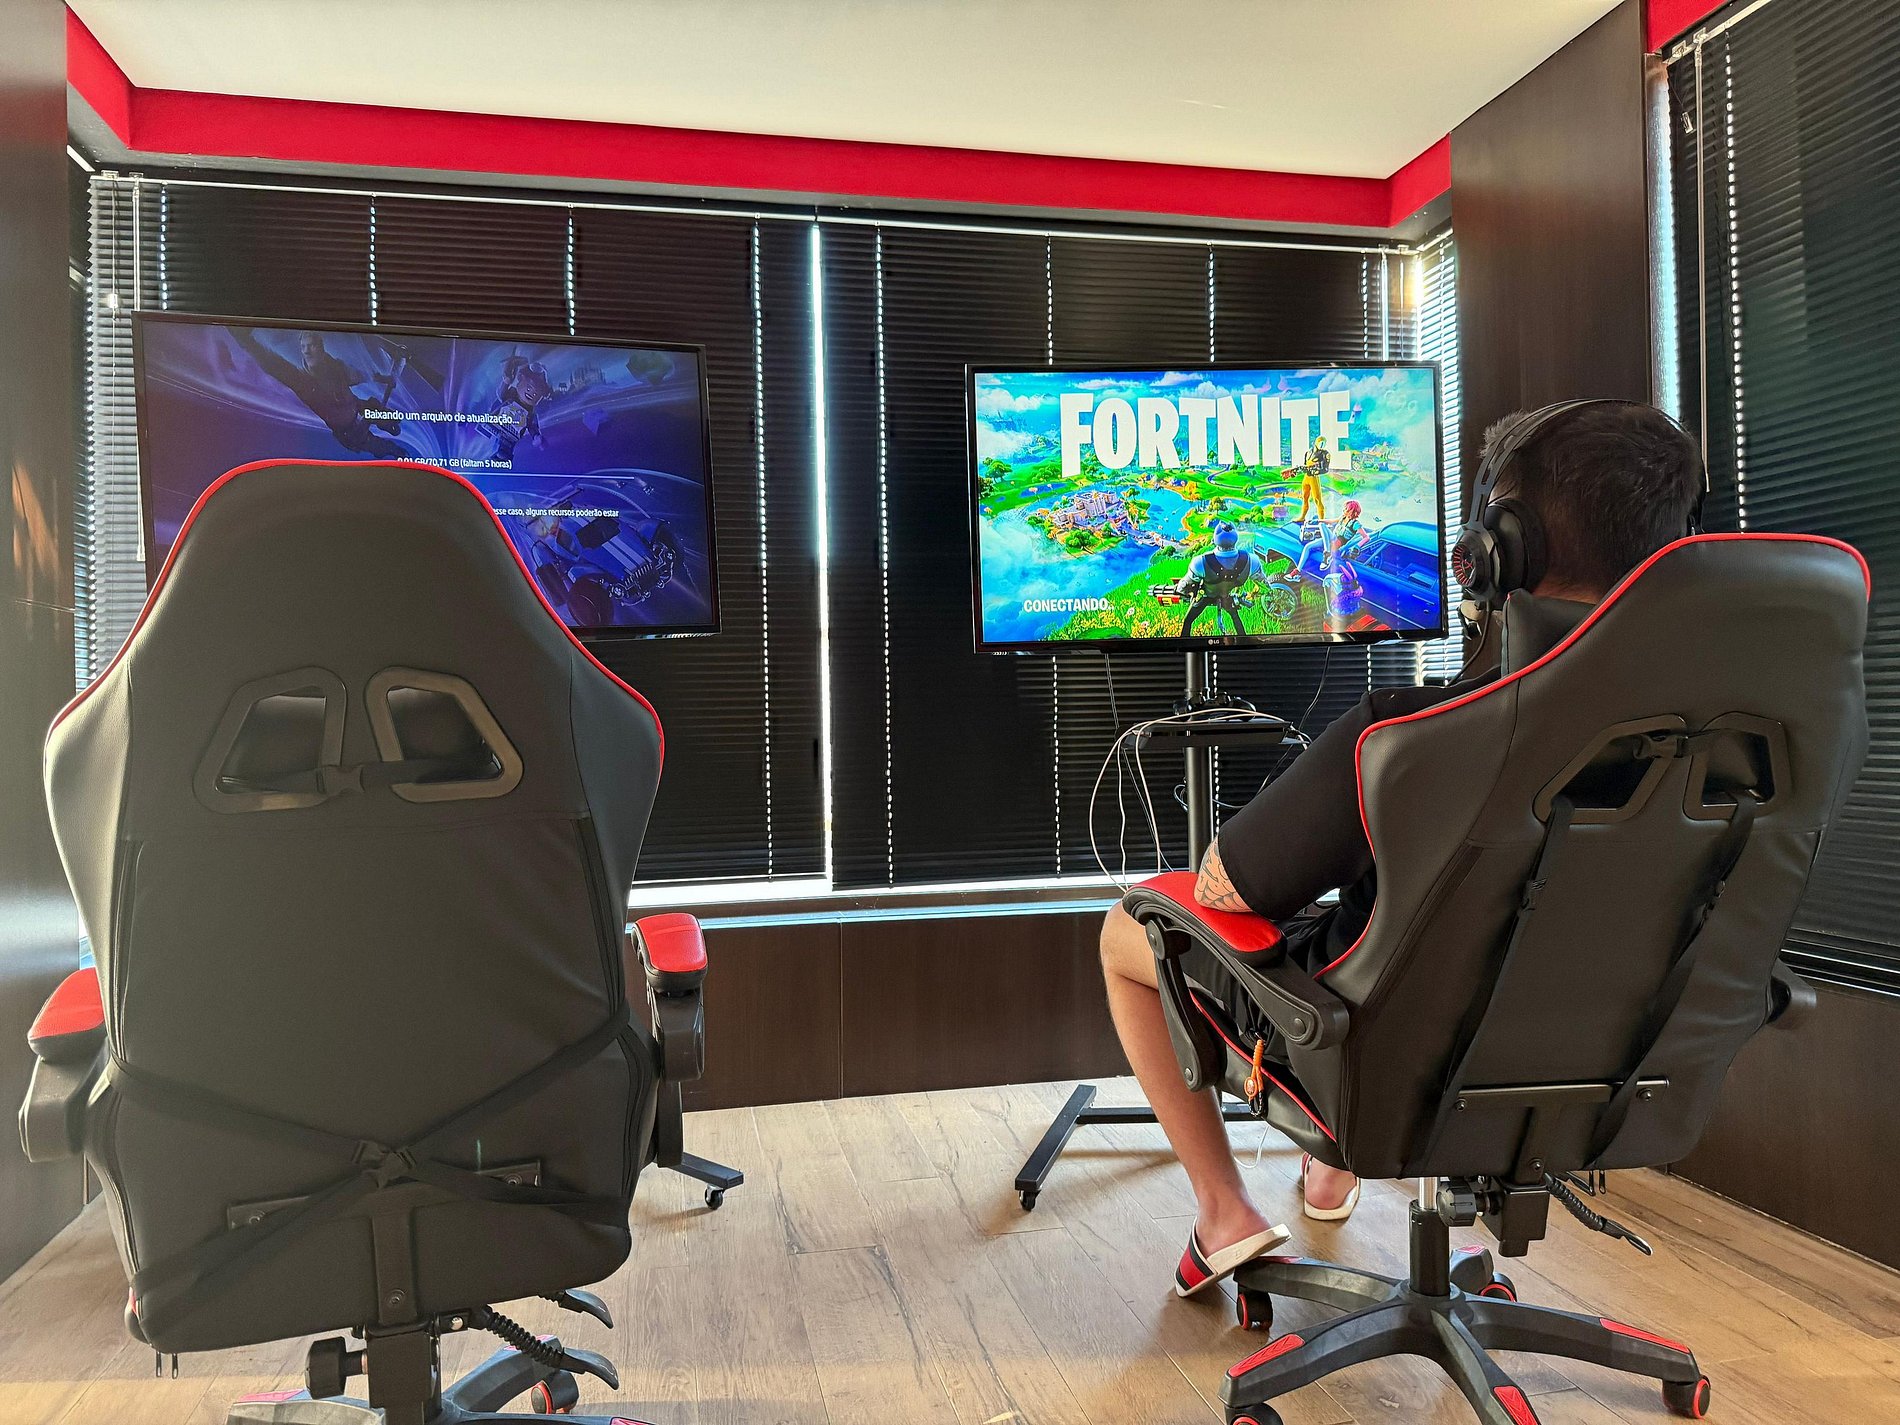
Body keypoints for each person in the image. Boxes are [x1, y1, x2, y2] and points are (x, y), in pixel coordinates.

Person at [1098, 402, 1705, 1298]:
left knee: (1130, 927)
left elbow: (1226, 891)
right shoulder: (1744, 743)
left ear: (1499, 551)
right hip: (1619, 1069)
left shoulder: (1404, 734)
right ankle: (1329, 1169)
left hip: (1383, 1062)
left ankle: (1227, 1210)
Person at [1296, 436, 1331, 524]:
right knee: (1305, 498)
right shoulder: (1308, 453)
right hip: (1306, 478)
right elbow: (1305, 465)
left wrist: (1315, 471)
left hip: (1314, 478)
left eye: (1323, 443)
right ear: (1316, 442)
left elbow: (1325, 469)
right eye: (1320, 443)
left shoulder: (1324, 454)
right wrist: (1300, 469)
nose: (1322, 445)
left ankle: (1321, 520)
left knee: (1317, 499)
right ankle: (1302, 517)